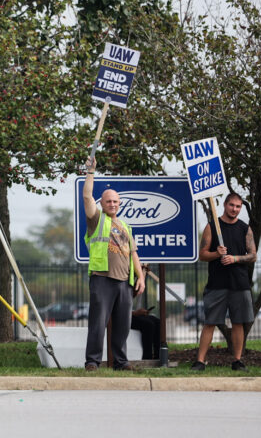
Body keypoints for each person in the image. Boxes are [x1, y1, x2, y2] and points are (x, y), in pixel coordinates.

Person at [83, 158, 145, 371]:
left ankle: (121, 362)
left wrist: (141, 277)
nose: (112, 204)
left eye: (115, 202)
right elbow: (86, 196)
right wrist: (91, 171)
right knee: (98, 323)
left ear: (120, 204)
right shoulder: (96, 220)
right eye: (108, 201)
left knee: (122, 326)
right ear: (102, 203)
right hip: (102, 278)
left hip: (124, 282)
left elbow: (133, 253)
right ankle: (92, 361)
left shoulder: (126, 226)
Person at [191, 192, 257, 372]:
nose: (234, 209)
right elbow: (202, 254)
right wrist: (216, 254)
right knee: (210, 322)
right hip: (217, 283)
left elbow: (253, 255)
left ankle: (237, 361)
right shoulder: (212, 227)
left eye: (238, 207)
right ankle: (200, 361)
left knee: (239, 322)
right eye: (231, 205)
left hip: (240, 284)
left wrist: (234, 258)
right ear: (225, 205)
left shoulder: (245, 229)